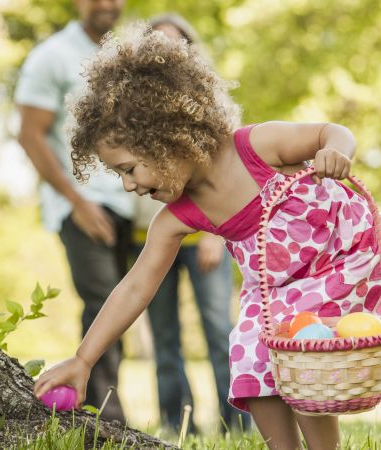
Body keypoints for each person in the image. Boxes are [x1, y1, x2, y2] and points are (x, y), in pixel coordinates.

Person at [34, 24, 381, 449]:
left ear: (166, 137)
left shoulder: (255, 146)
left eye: (129, 168)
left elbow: (329, 132)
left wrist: (337, 151)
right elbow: (134, 287)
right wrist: (84, 359)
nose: (128, 185)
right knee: (251, 350)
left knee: (300, 351)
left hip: (343, 258)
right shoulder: (176, 217)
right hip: (280, 290)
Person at [131, 13, 250, 432]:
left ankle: (236, 422)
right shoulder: (128, 107)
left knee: (220, 330)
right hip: (150, 235)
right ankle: (176, 423)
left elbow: (227, 171)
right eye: (157, 43)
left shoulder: (205, 102)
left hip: (205, 235)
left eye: (175, 43)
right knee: (165, 338)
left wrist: (217, 234)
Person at [15, 0, 131, 422]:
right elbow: (30, 136)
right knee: (102, 300)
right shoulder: (52, 56)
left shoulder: (125, 54)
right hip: (81, 205)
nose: (107, 4)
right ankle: (108, 416)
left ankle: (108, 407)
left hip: (131, 202)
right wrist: (77, 202)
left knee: (123, 307)